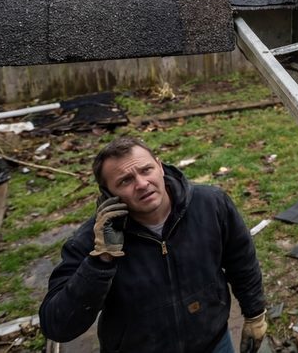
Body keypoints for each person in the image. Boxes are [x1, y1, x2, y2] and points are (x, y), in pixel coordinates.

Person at [39, 137, 268, 353]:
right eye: (125, 181)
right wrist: (101, 261)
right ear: (108, 194)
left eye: (146, 170)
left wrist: (255, 313)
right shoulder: (91, 242)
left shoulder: (210, 205)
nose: (141, 184)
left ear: (160, 166)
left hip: (213, 343)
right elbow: (58, 326)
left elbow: (241, 260)